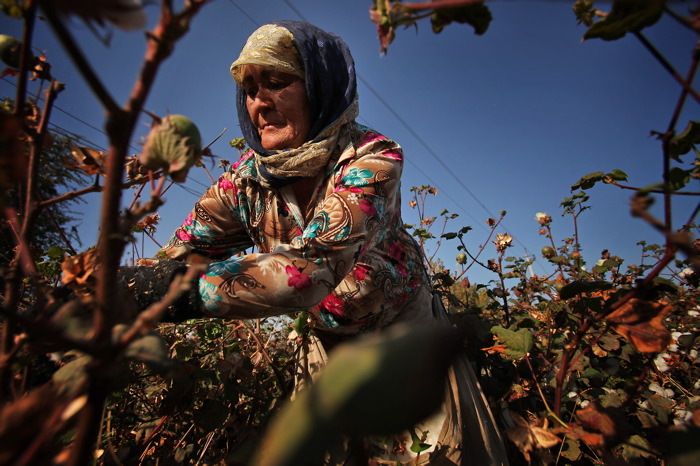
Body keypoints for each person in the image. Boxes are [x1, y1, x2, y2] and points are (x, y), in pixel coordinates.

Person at [142, 20, 509, 465]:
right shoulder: (244, 183)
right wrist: (105, 292)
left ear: (320, 85)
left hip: (403, 344)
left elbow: (309, 271)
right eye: (251, 88)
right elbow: (178, 255)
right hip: (325, 349)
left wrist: (174, 292)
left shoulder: (372, 158)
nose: (261, 101)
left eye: (277, 82)